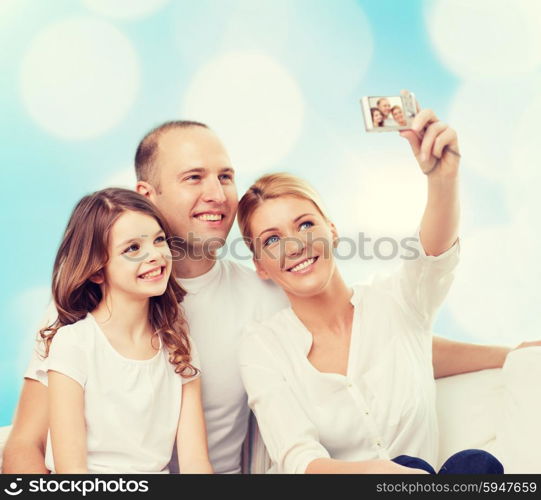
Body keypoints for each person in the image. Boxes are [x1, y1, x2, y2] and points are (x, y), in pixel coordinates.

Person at [3, 120, 534, 474]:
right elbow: (25, 445)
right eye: (193, 178)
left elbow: (381, 340)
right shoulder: (88, 308)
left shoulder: (265, 295)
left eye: (226, 176)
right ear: (148, 195)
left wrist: (510, 354)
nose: (217, 194)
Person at [235, 109, 505, 473]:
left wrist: (443, 179)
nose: (295, 246)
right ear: (260, 266)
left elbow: (433, 257)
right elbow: (298, 459)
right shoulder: (263, 347)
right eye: (272, 240)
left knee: (475, 467)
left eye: (305, 224)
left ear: (332, 230)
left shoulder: (397, 304)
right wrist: (379, 474)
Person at [37, 188, 211, 474]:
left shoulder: (180, 345)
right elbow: (72, 473)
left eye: (158, 240)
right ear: (96, 271)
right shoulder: (75, 344)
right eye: (132, 248)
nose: (155, 255)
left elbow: (195, 463)